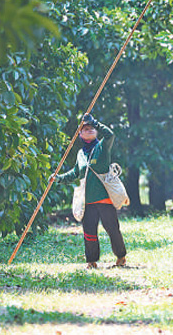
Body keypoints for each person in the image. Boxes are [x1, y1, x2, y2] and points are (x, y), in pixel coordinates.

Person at [51, 113, 127, 269]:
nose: (89, 130)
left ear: (96, 131)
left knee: (112, 229)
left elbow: (110, 135)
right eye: (85, 129)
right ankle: (91, 261)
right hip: (88, 201)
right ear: (79, 134)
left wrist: (95, 122)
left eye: (92, 128)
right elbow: (75, 173)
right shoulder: (80, 154)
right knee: (89, 232)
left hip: (105, 198)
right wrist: (58, 178)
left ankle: (121, 257)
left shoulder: (102, 147)